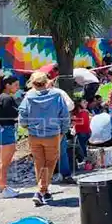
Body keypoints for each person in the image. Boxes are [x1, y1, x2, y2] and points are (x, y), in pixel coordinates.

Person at [18, 71, 70, 206]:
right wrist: (63, 131)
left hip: (34, 135)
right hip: (52, 134)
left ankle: (45, 191)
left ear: (33, 83)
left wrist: (29, 126)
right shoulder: (57, 95)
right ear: (46, 82)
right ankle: (41, 191)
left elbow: (22, 119)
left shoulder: (28, 97)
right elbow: (64, 116)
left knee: (39, 163)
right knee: (50, 163)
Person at [0, 73, 20, 199]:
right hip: (6, 131)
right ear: (7, 85)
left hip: (0, 131)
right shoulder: (7, 98)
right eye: (15, 85)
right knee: (4, 163)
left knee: (1, 162)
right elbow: (15, 114)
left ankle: (2, 187)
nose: (17, 88)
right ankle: (3, 189)